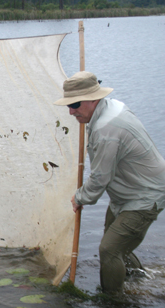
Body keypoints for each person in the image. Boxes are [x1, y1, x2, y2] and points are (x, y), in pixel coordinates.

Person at [54, 71, 165, 294]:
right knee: (115, 245)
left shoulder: (107, 127)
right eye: (68, 104)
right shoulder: (110, 107)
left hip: (145, 196)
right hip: (126, 193)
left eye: (75, 104)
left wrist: (80, 197)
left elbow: (100, 178)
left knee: (109, 250)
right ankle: (139, 281)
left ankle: (113, 300)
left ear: (94, 99)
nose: (70, 111)